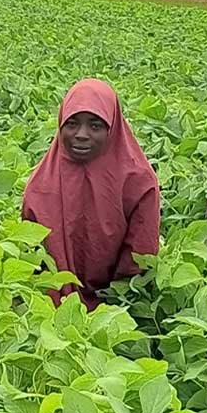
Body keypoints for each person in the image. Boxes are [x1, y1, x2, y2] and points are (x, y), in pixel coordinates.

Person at [21, 79, 161, 310]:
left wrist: (113, 305)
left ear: (112, 129)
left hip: (118, 306)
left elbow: (139, 260)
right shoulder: (41, 183)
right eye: (72, 124)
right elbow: (31, 257)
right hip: (49, 305)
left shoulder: (138, 182)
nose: (82, 135)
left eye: (95, 126)